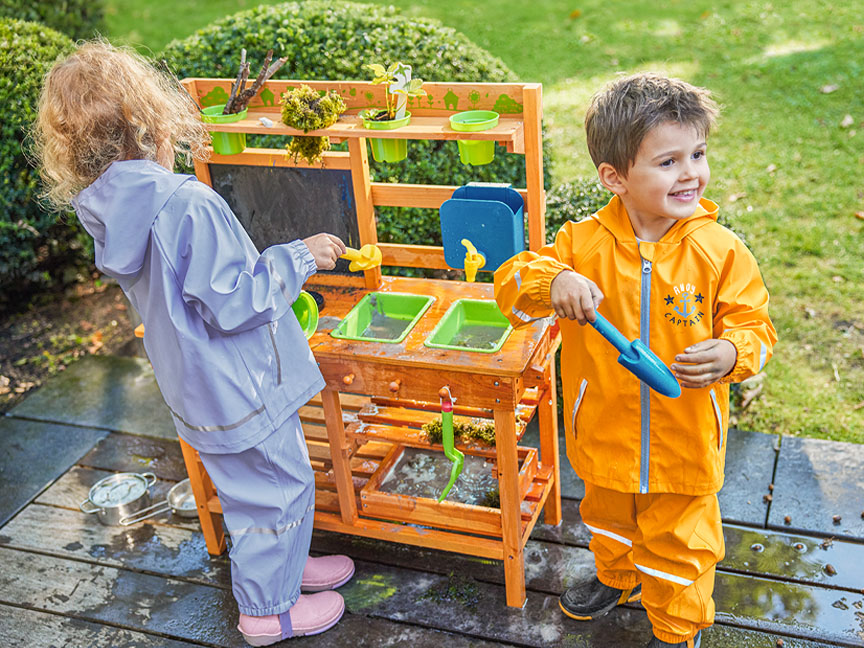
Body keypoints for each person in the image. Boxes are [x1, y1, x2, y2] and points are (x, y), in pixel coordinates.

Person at [33, 40, 355, 646]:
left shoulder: (108, 209)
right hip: (239, 383)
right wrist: (299, 256)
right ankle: (267, 612)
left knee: (252, 489)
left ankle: (285, 566)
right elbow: (237, 301)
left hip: (196, 386)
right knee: (280, 487)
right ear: (148, 122)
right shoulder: (187, 203)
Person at [494, 73, 777, 648]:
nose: (691, 173)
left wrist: (732, 351)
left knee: (682, 544)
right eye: (668, 161)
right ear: (614, 177)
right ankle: (618, 576)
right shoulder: (582, 245)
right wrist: (554, 281)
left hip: (684, 441)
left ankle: (676, 629)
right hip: (604, 430)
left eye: (697, 154)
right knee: (608, 517)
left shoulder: (720, 252)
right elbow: (513, 286)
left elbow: (756, 327)